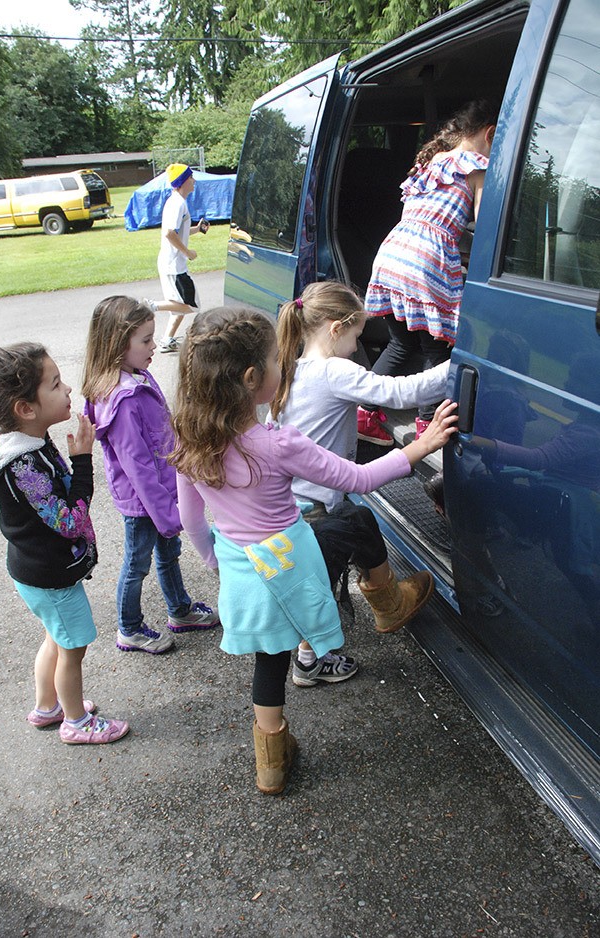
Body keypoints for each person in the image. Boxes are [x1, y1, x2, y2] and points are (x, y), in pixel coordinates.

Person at [169, 306, 457, 795]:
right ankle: (387, 604)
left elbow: (190, 519)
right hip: (290, 564)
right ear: (253, 378)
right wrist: (419, 447)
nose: (286, 368)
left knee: (270, 660)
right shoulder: (277, 444)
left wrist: (219, 564)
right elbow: (359, 478)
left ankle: (272, 763)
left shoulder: (190, 439)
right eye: (278, 362)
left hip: (244, 571)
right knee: (352, 515)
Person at [270, 279, 450, 638]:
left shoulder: (292, 367)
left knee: (359, 523)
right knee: (320, 584)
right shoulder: (334, 370)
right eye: (355, 338)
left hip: (292, 502)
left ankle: (388, 605)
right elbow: (400, 392)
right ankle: (311, 661)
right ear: (336, 329)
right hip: (316, 507)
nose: (355, 349)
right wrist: (460, 363)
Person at [0, 343, 129, 745]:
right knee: (73, 646)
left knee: (54, 638)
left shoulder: (17, 443)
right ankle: (76, 722)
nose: (69, 389)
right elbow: (70, 522)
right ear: (25, 408)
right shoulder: (23, 465)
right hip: (50, 576)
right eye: (56, 384)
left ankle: (48, 707)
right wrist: (82, 460)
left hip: (33, 571)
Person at [82, 295, 219, 655]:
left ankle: (180, 609)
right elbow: (137, 466)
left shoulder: (137, 377)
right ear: (116, 343)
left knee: (168, 553)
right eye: (145, 340)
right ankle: (129, 628)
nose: (153, 345)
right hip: (144, 504)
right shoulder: (123, 398)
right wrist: (166, 514)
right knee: (136, 564)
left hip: (162, 492)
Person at [360, 99, 497, 442]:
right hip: (426, 261)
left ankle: (364, 413)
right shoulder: (476, 166)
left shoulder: (432, 161)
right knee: (437, 351)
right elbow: (484, 226)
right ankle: (426, 427)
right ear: (490, 134)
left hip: (393, 254)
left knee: (402, 344)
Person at [145, 163, 209, 353]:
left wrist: (197, 229)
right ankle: (150, 306)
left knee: (179, 304)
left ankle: (167, 339)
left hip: (173, 263)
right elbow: (169, 233)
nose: (194, 181)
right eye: (191, 177)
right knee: (191, 305)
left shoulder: (178, 201)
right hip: (174, 265)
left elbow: (178, 231)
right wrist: (187, 252)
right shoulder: (177, 203)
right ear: (183, 181)